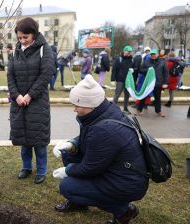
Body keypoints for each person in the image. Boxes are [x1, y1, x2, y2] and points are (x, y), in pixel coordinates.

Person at [53, 74, 148, 224]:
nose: (74, 109)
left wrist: (68, 171)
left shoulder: (105, 129)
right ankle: (79, 202)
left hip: (125, 182)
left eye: (77, 105)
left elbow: (90, 167)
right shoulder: (103, 112)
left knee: (67, 186)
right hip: (115, 170)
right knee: (69, 153)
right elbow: (90, 139)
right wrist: (72, 144)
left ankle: (123, 211)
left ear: (90, 104)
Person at [7, 17, 54, 184]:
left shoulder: (44, 49)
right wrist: (17, 95)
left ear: (34, 34)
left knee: (39, 140)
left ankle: (41, 171)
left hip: (37, 103)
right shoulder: (15, 51)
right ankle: (26, 167)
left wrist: (29, 95)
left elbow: (46, 75)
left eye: (25, 37)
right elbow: (10, 76)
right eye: (19, 37)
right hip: (19, 103)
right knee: (24, 140)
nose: (22, 40)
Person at [136, 49, 168, 117]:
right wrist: (148, 70)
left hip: (158, 83)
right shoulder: (146, 62)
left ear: (157, 54)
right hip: (148, 83)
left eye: (154, 54)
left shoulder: (162, 62)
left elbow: (166, 73)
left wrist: (165, 82)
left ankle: (158, 111)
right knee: (143, 97)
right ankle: (139, 110)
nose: (153, 55)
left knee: (157, 98)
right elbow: (140, 70)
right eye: (151, 54)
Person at [112, 45, 134, 113]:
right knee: (117, 94)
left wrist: (133, 69)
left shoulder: (132, 59)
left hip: (128, 80)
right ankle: (113, 108)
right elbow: (114, 69)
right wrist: (113, 79)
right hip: (120, 80)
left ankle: (125, 108)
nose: (130, 53)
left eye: (130, 52)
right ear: (124, 51)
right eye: (128, 51)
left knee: (127, 95)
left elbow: (136, 67)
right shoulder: (119, 59)